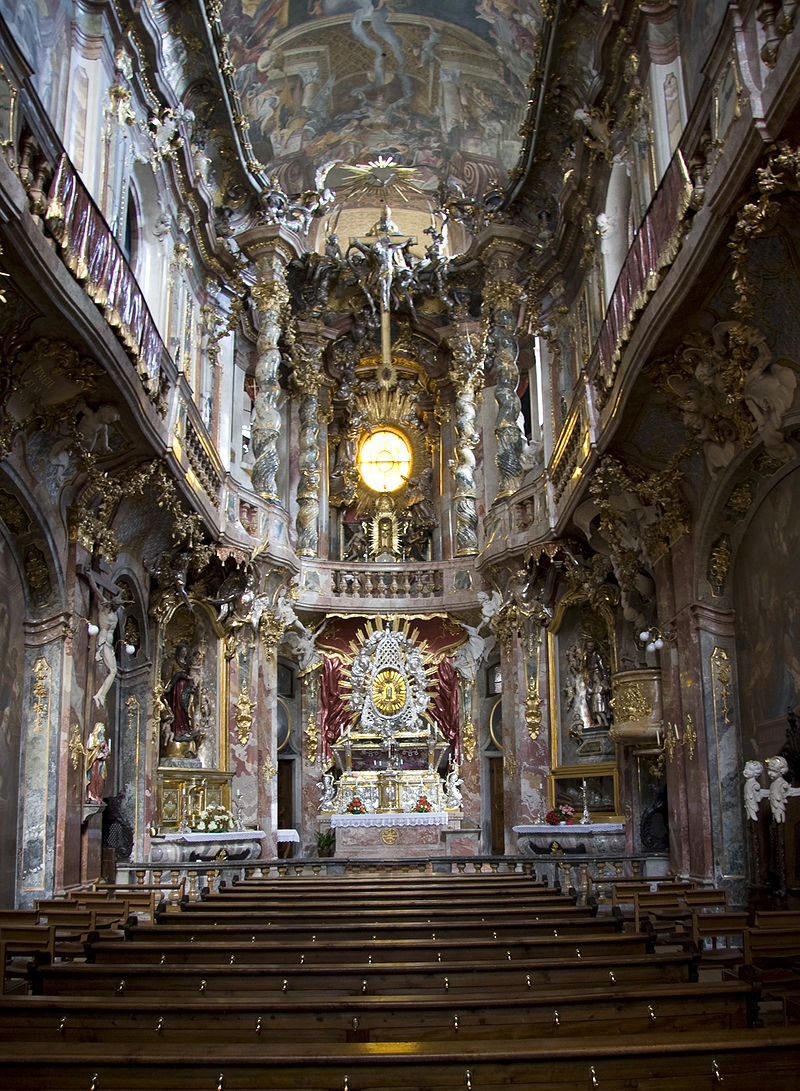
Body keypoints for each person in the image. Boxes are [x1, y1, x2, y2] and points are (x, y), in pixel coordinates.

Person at [85, 722, 110, 805]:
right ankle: (92, 795)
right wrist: (99, 747)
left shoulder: (102, 739)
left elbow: (106, 750)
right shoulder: (92, 737)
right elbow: (91, 749)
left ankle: (98, 795)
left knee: (101, 779)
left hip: (101, 764)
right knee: (94, 777)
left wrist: (106, 753)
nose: (103, 730)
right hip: (95, 763)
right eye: (102, 728)